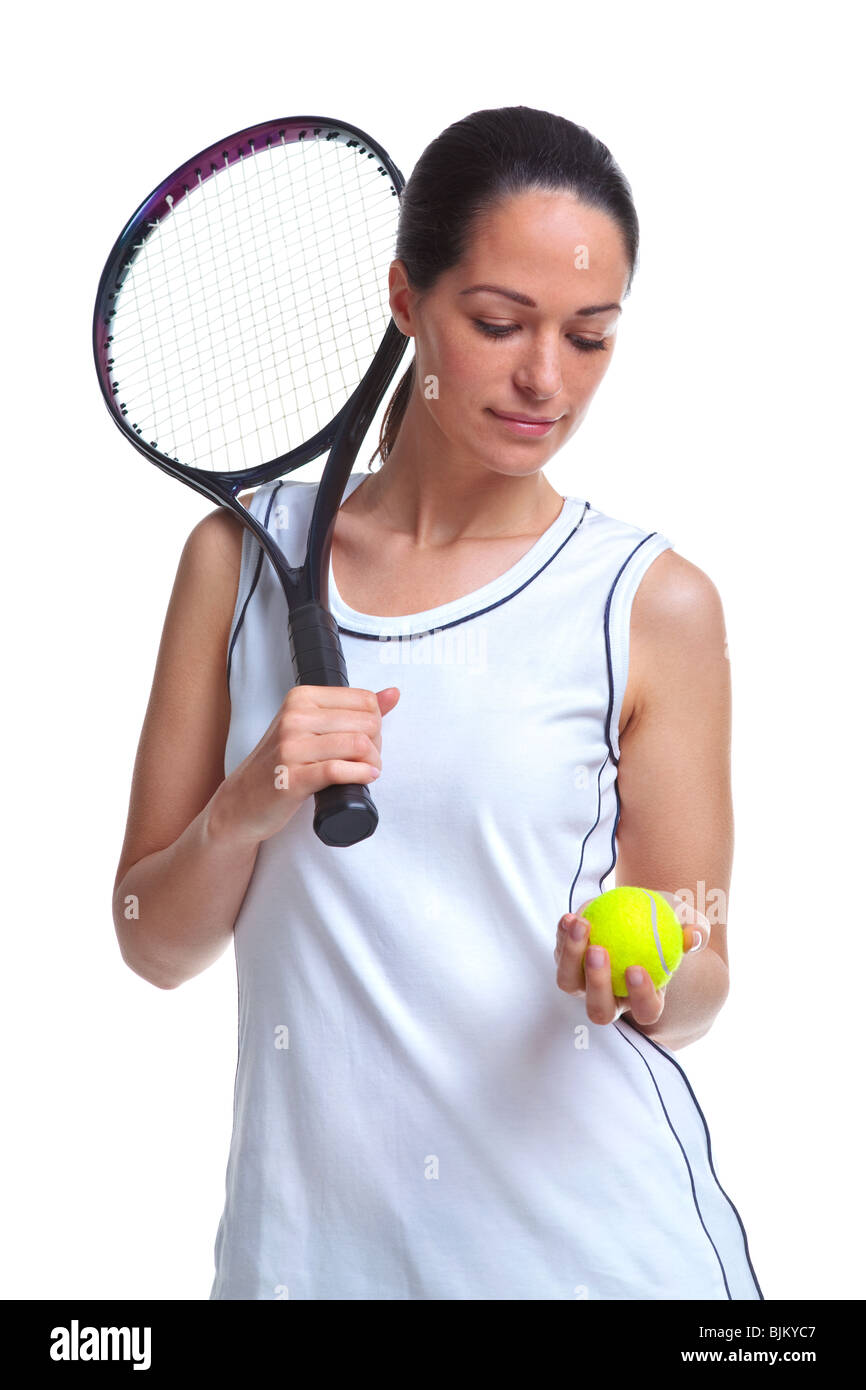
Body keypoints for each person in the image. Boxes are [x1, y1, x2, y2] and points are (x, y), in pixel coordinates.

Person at [112, 105, 763, 1300]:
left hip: (595, 1263)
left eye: (589, 337)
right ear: (406, 300)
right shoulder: (237, 558)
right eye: (498, 323)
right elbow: (151, 940)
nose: (543, 379)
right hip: (305, 1266)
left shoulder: (648, 603)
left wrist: (650, 968)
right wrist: (242, 809)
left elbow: (704, 953)